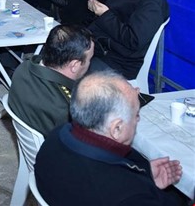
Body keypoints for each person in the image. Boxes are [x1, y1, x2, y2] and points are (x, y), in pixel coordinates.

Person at [35, 71, 183, 205]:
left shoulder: (56, 136)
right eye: (136, 115)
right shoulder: (126, 194)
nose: (138, 120)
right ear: (116, 128)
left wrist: (145, 175)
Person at [87, 0, 169, 79]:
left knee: (69, 69)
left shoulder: (151, 3)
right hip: (99, 50)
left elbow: (133, 40)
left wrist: (104, 15)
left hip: (119, 63)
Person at [8, 25, 94, 136]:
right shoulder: (66, 109)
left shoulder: (23, 68)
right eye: (89, 59)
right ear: (75, 65)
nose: (90, 64)